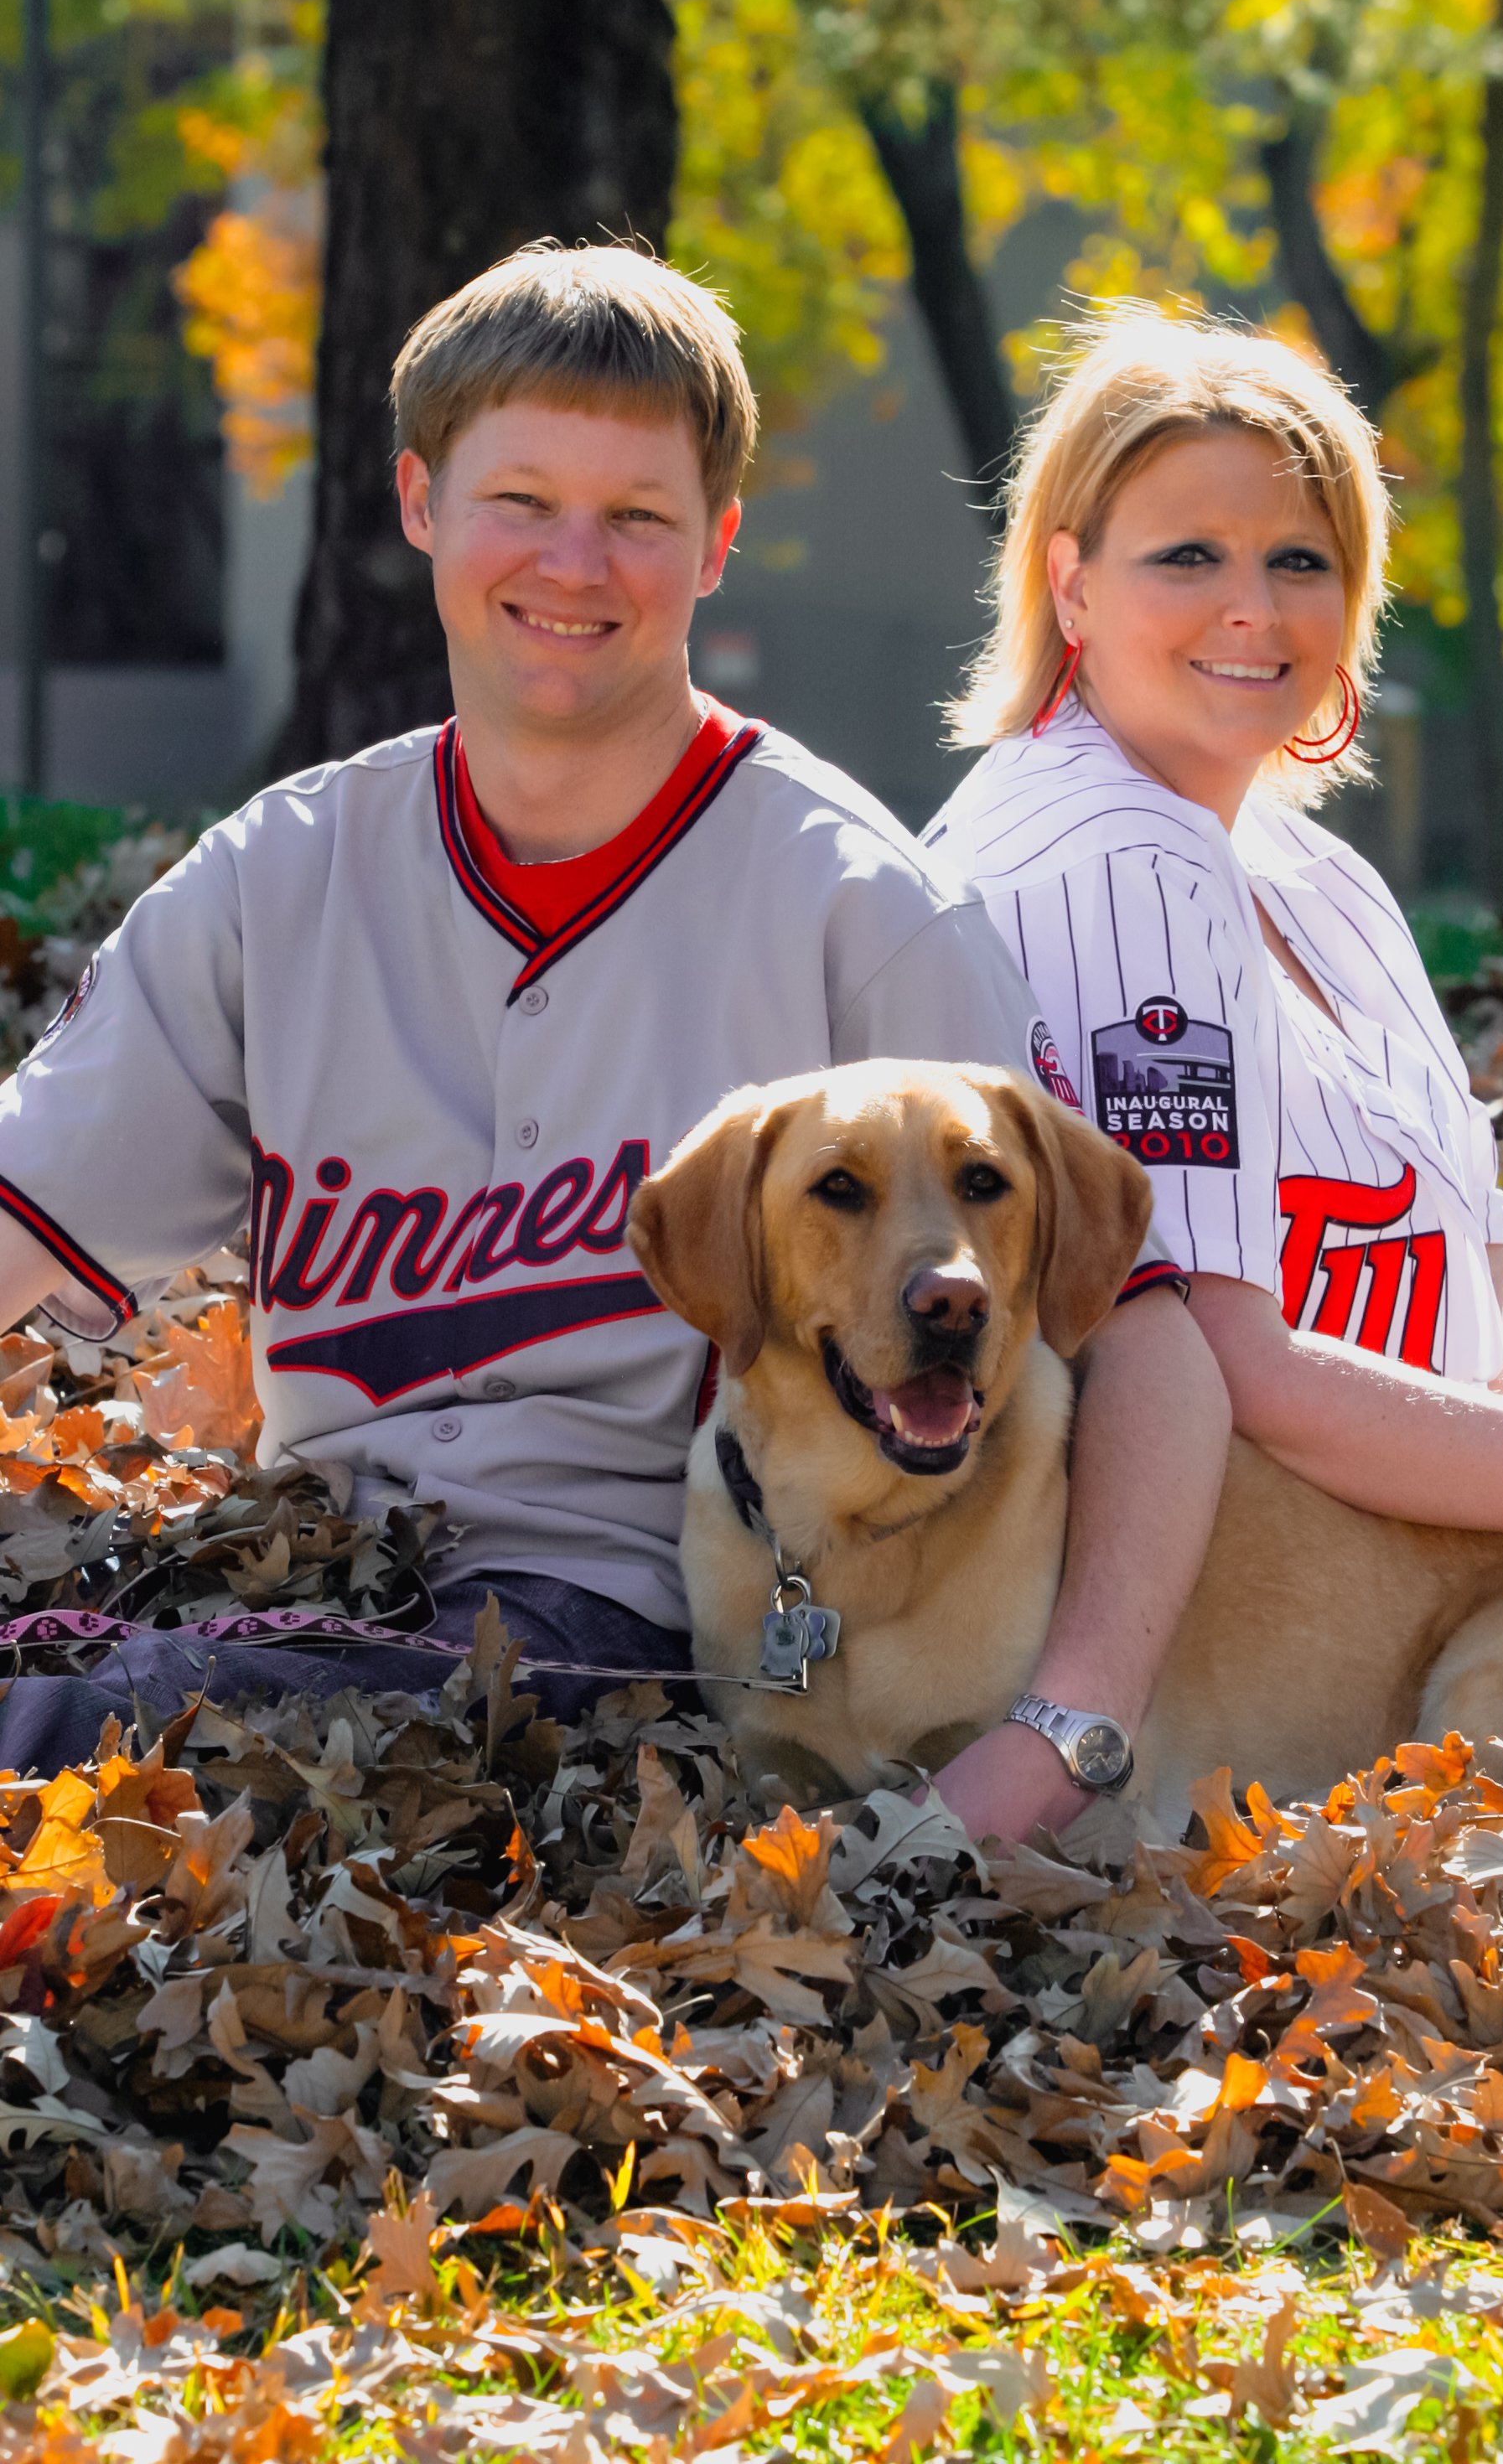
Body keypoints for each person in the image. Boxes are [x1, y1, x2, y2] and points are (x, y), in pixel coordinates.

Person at [0, 246, 1229, 1839]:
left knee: (63, 1737)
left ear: (717, 543)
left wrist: (1070, 1728)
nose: (574, 563)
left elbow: (1127, 1329)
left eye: (637, 516)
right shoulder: (276, 874)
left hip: (637, 1622)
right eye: (520, 500)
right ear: (420, 503)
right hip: (308, 1569)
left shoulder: (858, 902)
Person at [927, 305, 1503, 1598]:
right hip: (1310, 1564)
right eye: (1188, 556)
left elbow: (1492, 1261)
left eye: (1301, 560)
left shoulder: (1307, 866)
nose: (1255, 608)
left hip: (1486, 1480)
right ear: (1070, 582)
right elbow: (1223, 1369)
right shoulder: (1116, 860)